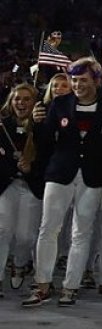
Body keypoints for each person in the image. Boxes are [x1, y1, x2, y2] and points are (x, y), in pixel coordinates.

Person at [23, 58, 102, 307]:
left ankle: (71, 286)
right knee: (48, 229)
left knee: (82, 232)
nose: (77, 85)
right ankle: (43, 284)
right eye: (74, 80)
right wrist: (37, 125)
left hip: (94, 177)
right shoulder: (59, 104)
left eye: (83, 80)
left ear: (96, 81)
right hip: (60, 174)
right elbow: (46, 142)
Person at [1, 83, 40, 296]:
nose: (21, 103)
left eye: (26, 99)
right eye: (17, 98)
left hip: (31, 185)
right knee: (3, 230)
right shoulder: (2, 125)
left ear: (34, 103)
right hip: (6, 185)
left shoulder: (40, 127)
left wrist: (30, 167)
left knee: (25, 235)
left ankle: (19, 264)